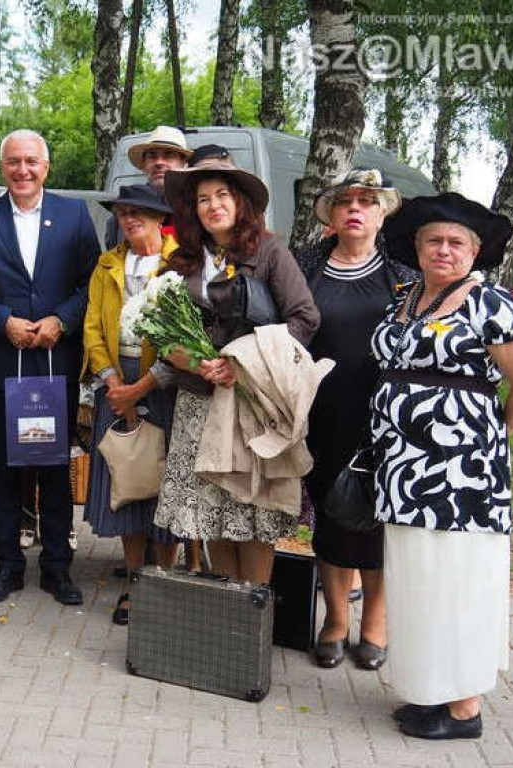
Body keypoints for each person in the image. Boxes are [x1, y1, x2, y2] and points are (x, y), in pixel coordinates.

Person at [371, 193, 513, 740]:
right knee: (419, 581)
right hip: (403, 468)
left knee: (458, 583)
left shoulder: (491, 303)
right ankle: (431, 691)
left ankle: (465, 709)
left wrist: (493, 436)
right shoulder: (406, 297)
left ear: (474, 252)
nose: (443, 249)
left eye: (455, 242)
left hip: (463, 475)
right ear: (416, 247)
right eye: (432, 240)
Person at [154, 146, 319, 585]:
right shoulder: (180, 262)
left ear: (240, 201)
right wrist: (192, 359)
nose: (213, 206)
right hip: (199, 404)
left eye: (222, 194)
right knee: (213, 513)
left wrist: (242, 363)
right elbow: (160, 329)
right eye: (203, 198)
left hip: (251, 405)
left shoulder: (269, 252)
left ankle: (255, 608)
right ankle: (228, 612)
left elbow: (304, 318)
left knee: (252, 510)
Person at [0, 129, 100, 605]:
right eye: (13, 161)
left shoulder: (74, 215)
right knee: (4, 471)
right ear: (3, 167)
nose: (23, 170)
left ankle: (57, 567)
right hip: (1, 362)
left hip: (54, 363)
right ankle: (8, 566)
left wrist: (61, 319)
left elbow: (90, 281)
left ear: (46, 167)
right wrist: (3, 321)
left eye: (31, 161)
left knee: (53, 468)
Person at [294, 169, 416, 671]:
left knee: (379, 521)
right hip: (322, 412)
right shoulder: (306, 267)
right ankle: (335, 621)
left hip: (386, 417)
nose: (355, 209)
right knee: (331, 515)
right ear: (331, 214)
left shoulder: (405, 275)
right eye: (346, 201)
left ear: (382, 212)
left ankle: (376, 625)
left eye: (367, 201)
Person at [82, 184, 183, 625]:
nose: (129, 218)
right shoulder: (107, 264)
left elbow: (184, 333)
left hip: (162, 383)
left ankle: (163, 578)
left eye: (139, 211)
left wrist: (141, 387)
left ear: (160, 217)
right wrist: (111, 381)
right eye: (123, 212)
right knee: (126, 482)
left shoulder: (179, 263)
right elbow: (91, 328)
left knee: (161, 482)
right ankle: (135, 582)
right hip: (114, 382)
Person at [104, 125, 191, 249]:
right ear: (143, 166)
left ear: (184, 164)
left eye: (168, 155)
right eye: (152, 156)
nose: (159, 162)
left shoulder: (198, 209)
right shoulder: (121, 217)